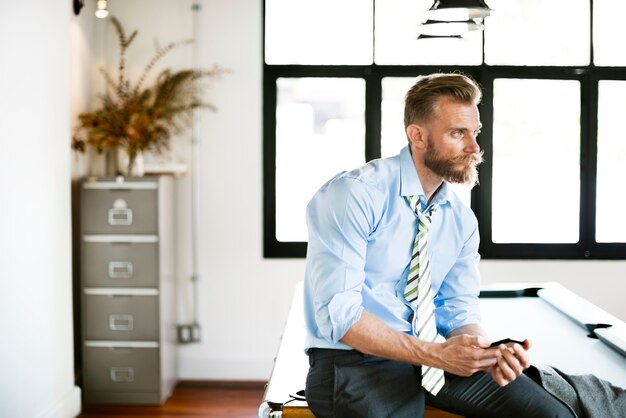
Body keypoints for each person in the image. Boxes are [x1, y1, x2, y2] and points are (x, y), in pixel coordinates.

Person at [302, 73, 575, 417]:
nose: (474, 148)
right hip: (354, 362)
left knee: (554, 414)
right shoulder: (355, 194)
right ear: (417, 136)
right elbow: (340, 317)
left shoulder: (460, 220)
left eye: (474, 133)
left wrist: (485, 351)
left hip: (429, 355)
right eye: (457, 133)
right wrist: (435, 354)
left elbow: (458, 309)